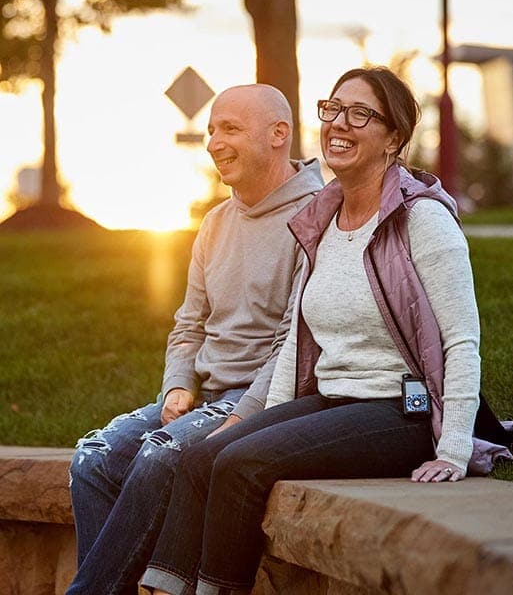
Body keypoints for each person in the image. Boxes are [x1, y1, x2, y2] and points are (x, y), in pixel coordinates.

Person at [140, 66, 513, 595]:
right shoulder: (323, 219)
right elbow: (296, 340)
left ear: (394, 138)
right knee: (203, 453)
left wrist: (453, 448)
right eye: (333, 109)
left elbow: (461, 339)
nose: (340, 123)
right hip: (333, 397)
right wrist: (253, 420)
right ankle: (163, 588)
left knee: (240, 465)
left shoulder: (422, 220)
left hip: (401, 408)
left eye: (361, 113)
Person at [66, 83, 324, 595]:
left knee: (160, 455)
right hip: (202, 393)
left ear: (279, 135)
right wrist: (177, 385)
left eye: (229, 128)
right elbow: (189, 324)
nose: (213, 142)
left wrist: (241, 416)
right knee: (93, 458)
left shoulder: (315, 219)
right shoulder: (215, 222)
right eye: (211, 130)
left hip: (257, 398)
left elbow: (295, 341)